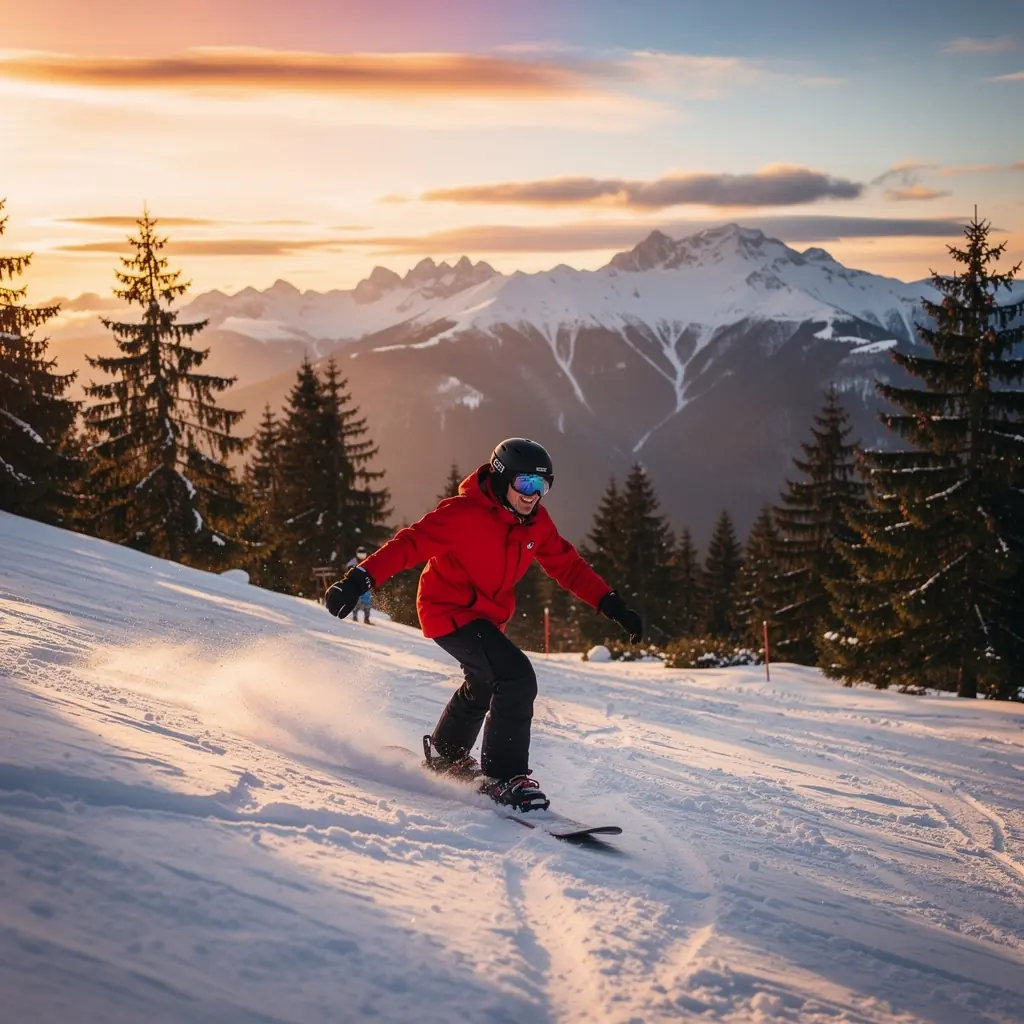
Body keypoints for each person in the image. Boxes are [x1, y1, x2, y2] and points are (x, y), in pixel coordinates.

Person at [325, 438, 642, 812]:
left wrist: (611, 604)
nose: (532, 495)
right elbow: (409, 544)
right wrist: (358, 579)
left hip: (488, 618)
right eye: (525, 484)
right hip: (446, 610)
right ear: (502, 477)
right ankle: (504, 777)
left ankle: (447, 755)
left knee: (484, 681)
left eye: (541, 486)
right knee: (516, 677)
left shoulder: (535, 523)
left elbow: (567, 566)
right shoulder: (463, 513)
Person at [343, 545, 373, 624]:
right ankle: (355, 616)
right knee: (357, 601)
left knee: (367, 602)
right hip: (356, 586)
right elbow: (348, 571)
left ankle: (367, 618)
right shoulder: (352, 563)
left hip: (366, 585)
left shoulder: (368, 561)